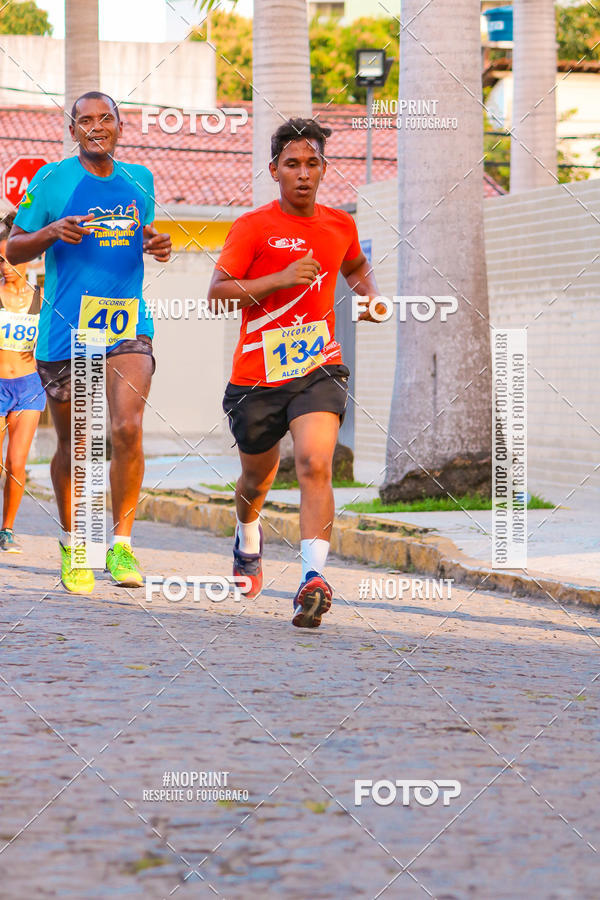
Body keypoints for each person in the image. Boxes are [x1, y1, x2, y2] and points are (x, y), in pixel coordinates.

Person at [208, 118, 380, 628]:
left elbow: (355, 266)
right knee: (257, 478)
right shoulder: (252, 227)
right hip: (256, 376)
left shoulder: (340, 225)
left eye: (312, 163)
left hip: (316, 366)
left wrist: (370, 296)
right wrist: (280, 278)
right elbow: (217, 293)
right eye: (292, 164)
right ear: (274, 170)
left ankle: (313, 578)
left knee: (314, 462)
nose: (303, 173)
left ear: (324, 169)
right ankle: (247, 533)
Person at [6, 91, 171, 594]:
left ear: (121, 125)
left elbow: (145, 235)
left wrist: (158, 243)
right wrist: (52, 231)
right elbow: (14, 247)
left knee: (126, 427)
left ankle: (120, 544)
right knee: (75, 443)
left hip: (126, 323)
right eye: (85, 120)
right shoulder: (51, 180)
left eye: (106, 118)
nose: (96, 127)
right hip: (66, 328)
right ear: (72, 130)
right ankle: (74, 543)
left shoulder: (139, 179)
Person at [0, 213, 46, 552]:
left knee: (17, 463)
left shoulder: (41, 299)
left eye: (11, 259)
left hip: (29, 387)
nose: (5, 266)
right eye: (0, 259)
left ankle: (7, 529)